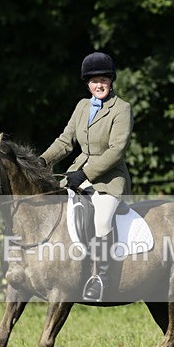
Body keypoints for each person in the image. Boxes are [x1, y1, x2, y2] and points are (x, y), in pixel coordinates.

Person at [40, 52, 133, 302]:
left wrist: (85, 174)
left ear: (111, 80)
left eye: (103, 79)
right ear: (87, 83)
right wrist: (43, 161)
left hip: (109, 180)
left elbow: (116, 151)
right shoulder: (82, 106)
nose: (98, 85)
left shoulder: (121, 109)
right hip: (77, 173)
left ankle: (101, 278)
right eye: (93, 81)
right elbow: (66, 140)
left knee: (102, 220)